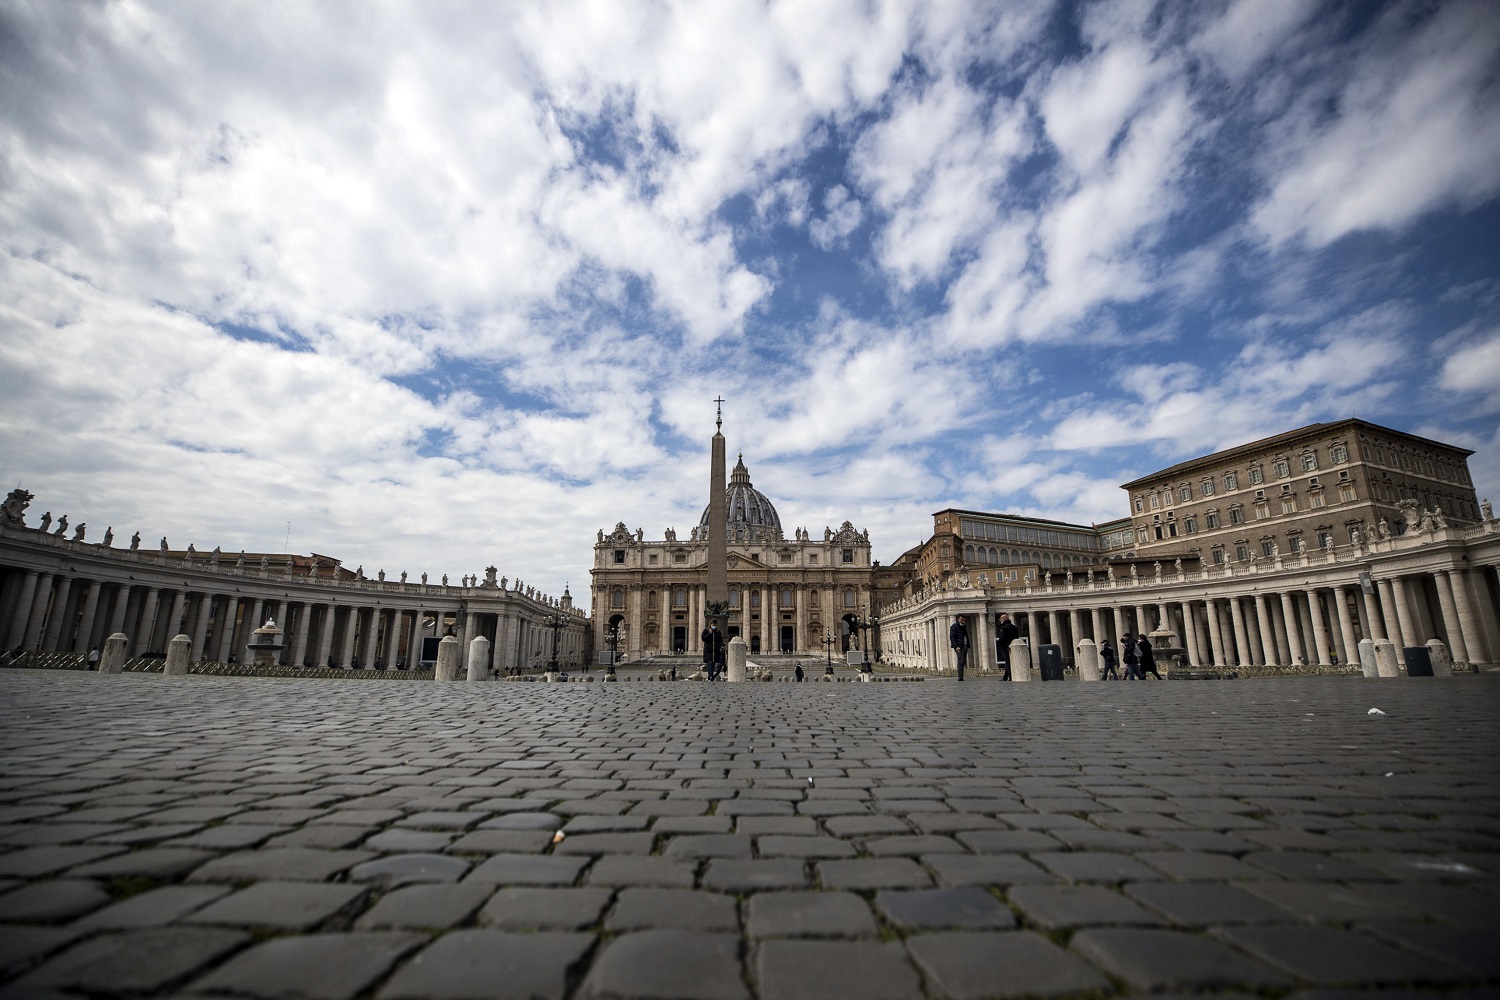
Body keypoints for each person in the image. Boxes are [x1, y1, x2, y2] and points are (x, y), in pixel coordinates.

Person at [996, 612, 1020, 681]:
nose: (1000, 621)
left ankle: (1010, 676)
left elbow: (1002, 638)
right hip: (1013, 646)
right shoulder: (1014, 627)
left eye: (1000, 620)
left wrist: (1000, 644)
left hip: (1005, 647)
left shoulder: (1003, 628)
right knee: (1012, 661)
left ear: (1003, 619)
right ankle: (1005, 676)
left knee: (1008, 662)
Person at [949, 614, 970, 680]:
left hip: (965, 646)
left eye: (964, 620)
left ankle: (961, 676)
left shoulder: (964, 626)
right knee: (961, 661)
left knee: (963, 661)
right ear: (958, 619)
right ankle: (960, 677)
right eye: (962, 620)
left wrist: (967, 645)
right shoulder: (954, 627)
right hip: (959, 646)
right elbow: (952, 637)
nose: (963, 621)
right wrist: (956, 647)